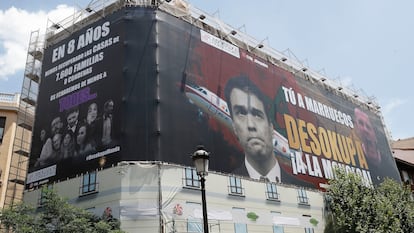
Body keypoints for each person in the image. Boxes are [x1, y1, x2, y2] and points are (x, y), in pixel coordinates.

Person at [224, 75, 281, 182]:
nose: (250, 125)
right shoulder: (227, 182)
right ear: (234, 127)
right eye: (241, 113)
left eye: (257, 115)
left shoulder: (307, 187)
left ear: (271, 127)